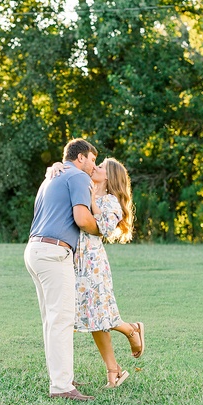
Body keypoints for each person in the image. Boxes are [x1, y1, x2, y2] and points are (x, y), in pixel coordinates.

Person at [49, 157, 145, 389]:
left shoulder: (111, 201)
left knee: (98, 314)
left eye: (101, 167)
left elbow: (103, 226)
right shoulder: (82, 186)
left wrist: (92, 199)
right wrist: (55, 167)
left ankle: (131, 330)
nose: (96, 167)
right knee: (92, 317)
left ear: (109, 177)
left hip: (93, 262)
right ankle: (115, 369)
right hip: (74, 258)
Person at [23, 138, 100, 402]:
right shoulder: (77, 176)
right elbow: (82, 218)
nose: (94, 165)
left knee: (52, 320)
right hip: (54, 253)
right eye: (92, 159)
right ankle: (61, 387)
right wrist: (103, 230)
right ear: (80, 158)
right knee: (62, 320)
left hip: (35, 250)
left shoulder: (52, 177)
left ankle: (61, 378)